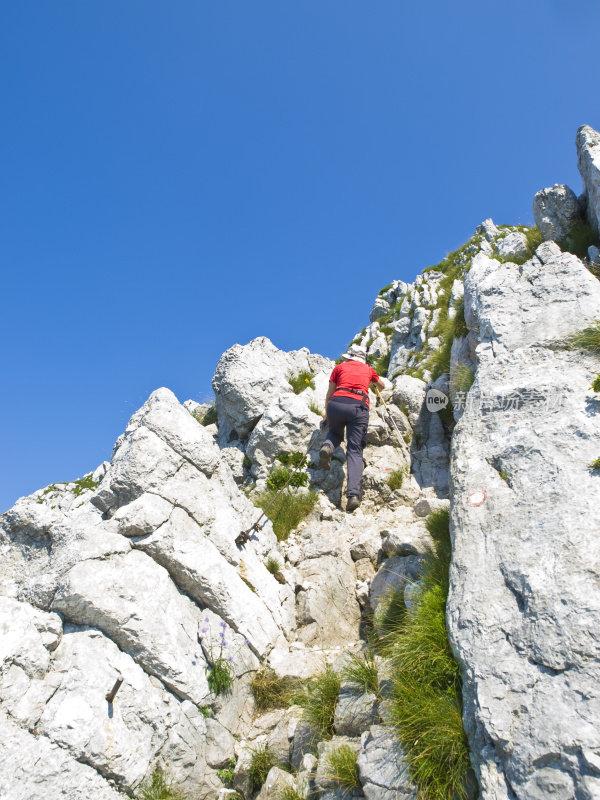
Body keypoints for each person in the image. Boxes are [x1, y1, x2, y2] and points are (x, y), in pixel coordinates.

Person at [319, 344, 390, 512]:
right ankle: (353, 496)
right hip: (358, 406)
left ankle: (327, 447)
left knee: (335, 432)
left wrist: (326, 415)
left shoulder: (339, 368)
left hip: (336, 403)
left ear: (349, 357)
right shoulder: (368, 369)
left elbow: (329, 394)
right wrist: (373, 381)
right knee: (354, 450)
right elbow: (382, 386)